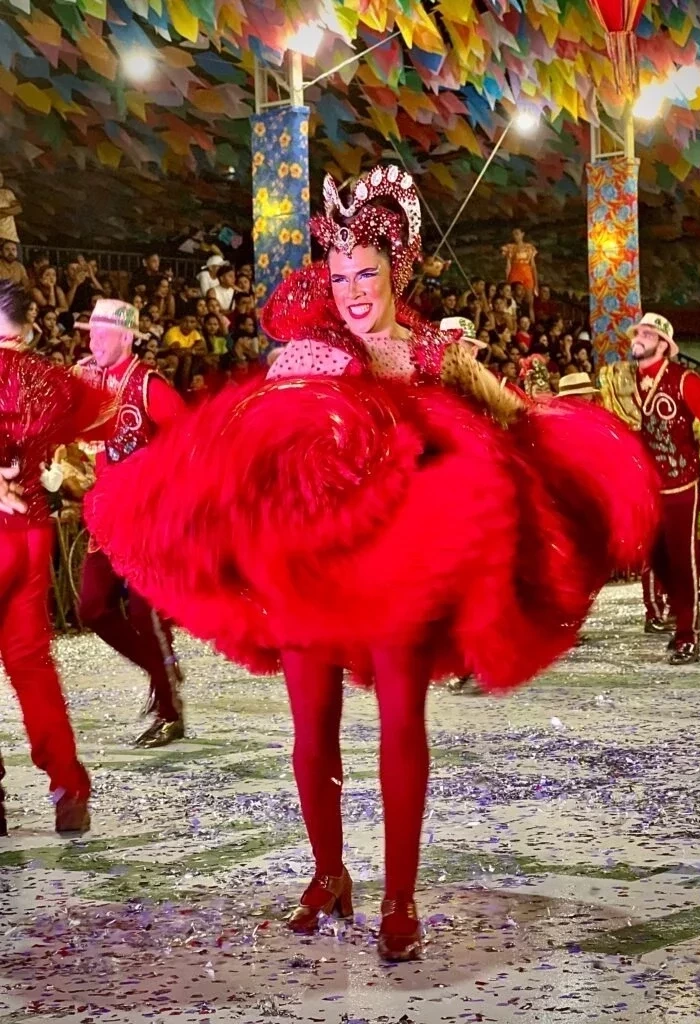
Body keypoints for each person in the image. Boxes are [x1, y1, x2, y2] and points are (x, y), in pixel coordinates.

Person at [84, 165, 658, 962]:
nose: (354, 290)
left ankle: (398, 897)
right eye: (343, 274)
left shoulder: (432, 351)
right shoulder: (302, 356)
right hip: (306, 569)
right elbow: (247, 446)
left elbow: (510, 413)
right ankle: (328, 876)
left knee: (399, 725)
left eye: (369, 274)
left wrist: (558, 453)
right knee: (310, 730)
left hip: (399, 566)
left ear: (399, 272)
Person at [0, 280, 110, 836]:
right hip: (32, 535)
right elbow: (106, 413)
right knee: (33, 667)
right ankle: (69, 789)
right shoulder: (50, 377)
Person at [600, 313, 700, 663]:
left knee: (683, 558)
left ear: (663, 345)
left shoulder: (682, 380)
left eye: (647, 334)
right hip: (645, 486)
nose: (638, 338)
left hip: (679, 485)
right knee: (656, 559)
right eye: (638, 333)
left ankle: (687, 635)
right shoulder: (624, 382)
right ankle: (682, 611)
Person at [74, 300, 187, 748]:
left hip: (146, 518)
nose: (92, 341)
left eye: (100, 334)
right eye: (90, 333)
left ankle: (169, 708)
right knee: (92, 608)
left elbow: (188, 443)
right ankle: (161, 668)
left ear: (125, 337)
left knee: (144, 612)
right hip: (106, 515)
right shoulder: (92, 380)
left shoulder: (150, 386)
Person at [502, 228, 537, 309]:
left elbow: (533, 266)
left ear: (522, 234)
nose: (515, 236)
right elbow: (508, 265)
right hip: (515, 272)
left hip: (527, 273)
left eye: (517, 234)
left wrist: (536, 283)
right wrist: (507, 280)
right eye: (514, 234)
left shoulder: (530, 247)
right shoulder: (510, 247)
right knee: (513, 297)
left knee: (529, 299)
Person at [0, 173, 21, 244]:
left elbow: (18, 209)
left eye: (1, 178)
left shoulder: (8, 193)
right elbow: (14, 210)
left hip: (10, 237)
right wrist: (9, 211)